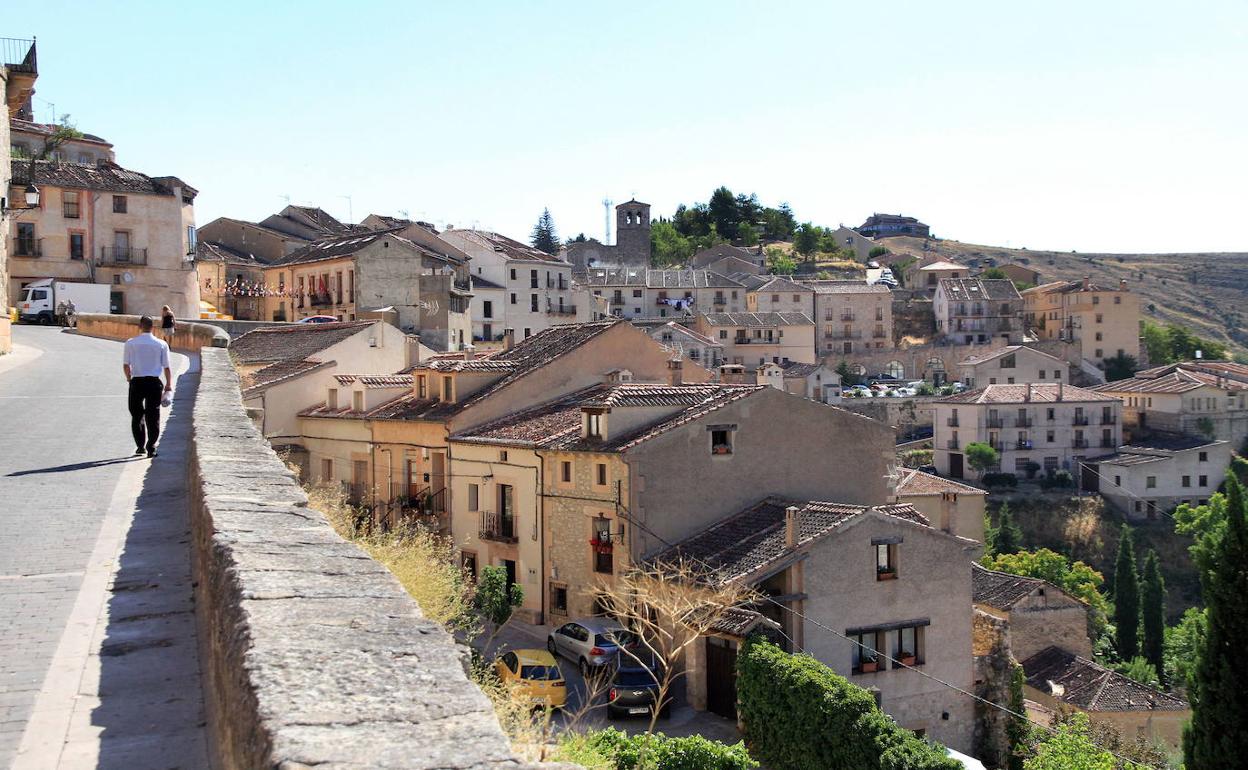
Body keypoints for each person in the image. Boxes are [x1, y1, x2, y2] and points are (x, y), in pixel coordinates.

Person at [123, 316, 172, 458]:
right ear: (153, 327)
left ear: (140, 326)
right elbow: (167, 367)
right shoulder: (161, 344)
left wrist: (129, 378)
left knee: (137, 415)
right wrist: (168, 384)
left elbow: (126, 365)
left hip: (137, 382)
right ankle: (151, 447)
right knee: (153, 415)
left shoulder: (131, 343)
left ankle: (140, 446)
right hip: (154, 383)